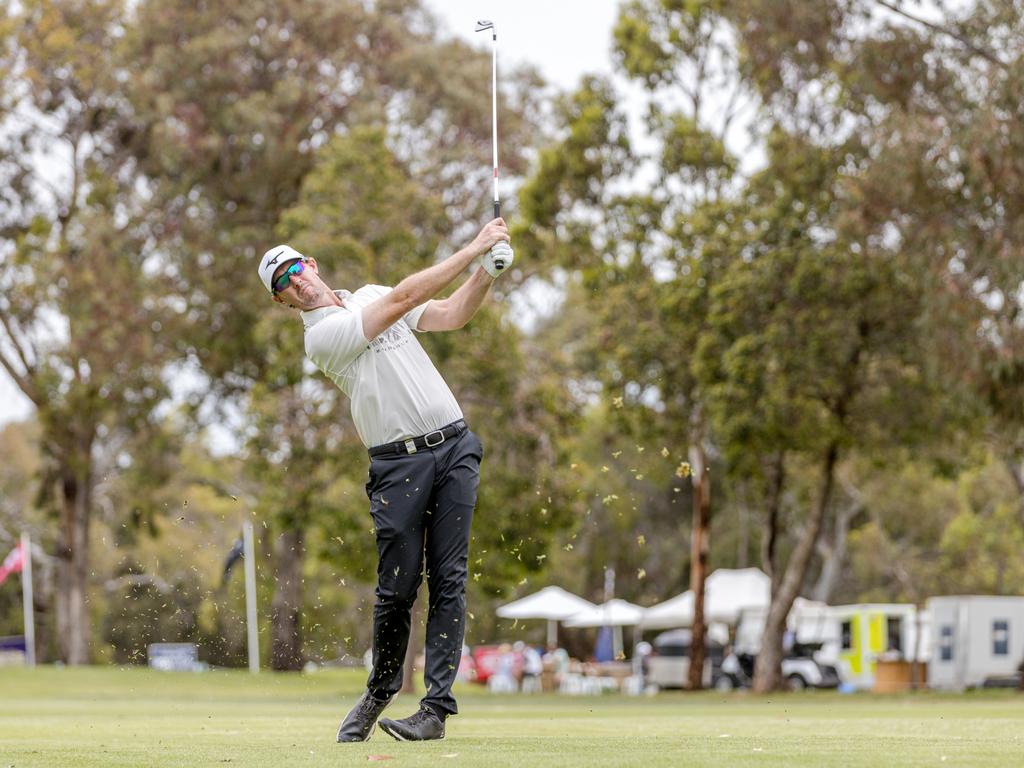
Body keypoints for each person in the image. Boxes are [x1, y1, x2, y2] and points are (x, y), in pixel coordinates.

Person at [257, 220, 514, 742]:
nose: (296, 281)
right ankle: (380, 690)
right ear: (284, 301)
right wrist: (474, 246)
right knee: (397, 590)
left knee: (449, 580)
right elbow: (403, 298)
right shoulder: (322, 338)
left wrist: (486, 273)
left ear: (313, 264)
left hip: (455, 446)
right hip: (398, 467)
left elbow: (448, 314)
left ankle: (435, 711)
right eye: (283, 282)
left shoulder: (369, 294)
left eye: (296, 267)